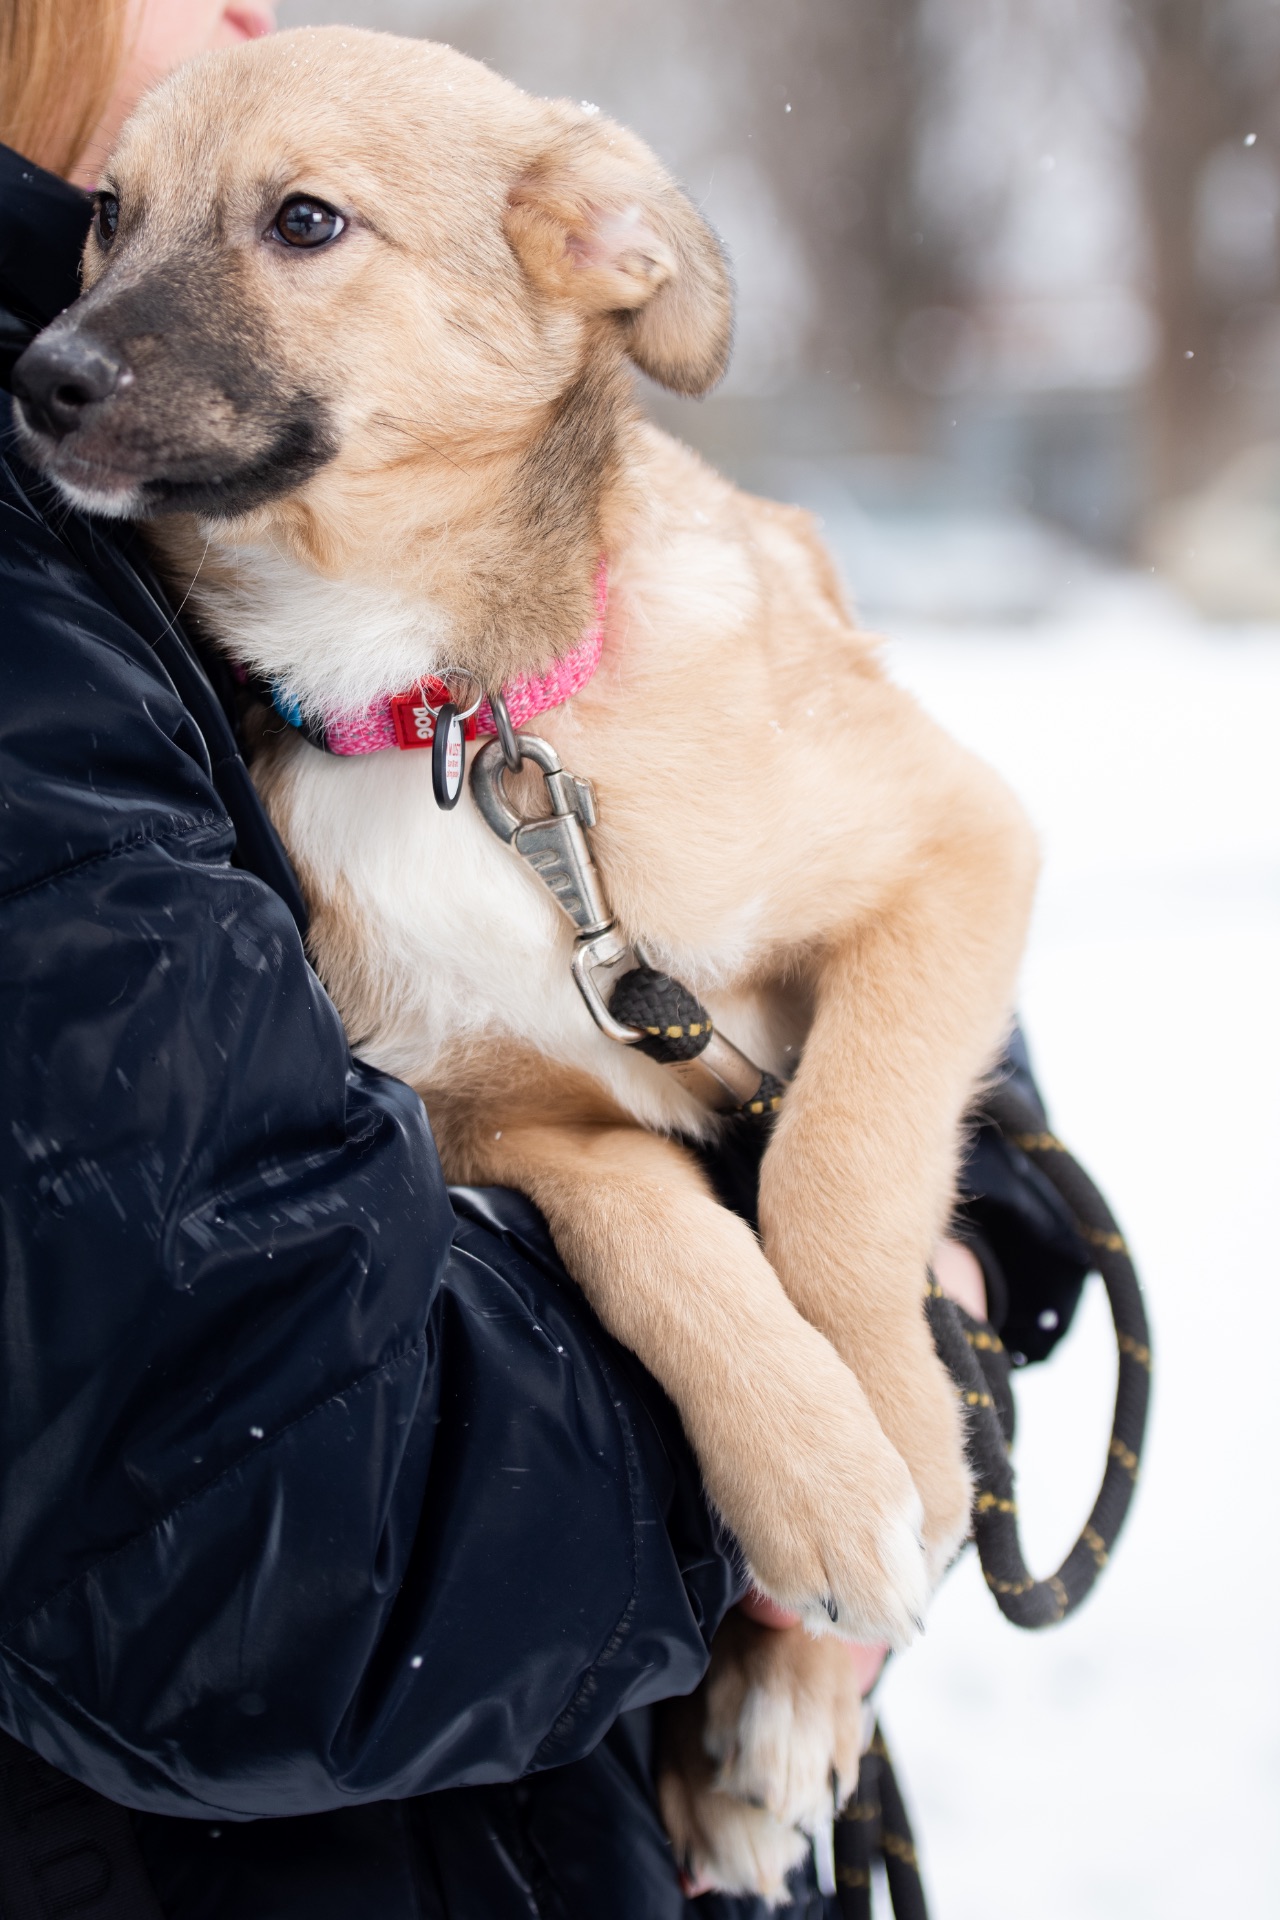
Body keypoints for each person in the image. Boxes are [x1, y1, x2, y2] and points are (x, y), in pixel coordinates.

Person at [0, 4, 1092, 1914]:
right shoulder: (109, 662)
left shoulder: (681, 629)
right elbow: (309, 1423)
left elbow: (955, 858)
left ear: (590, 259)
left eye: (302, 223)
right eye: (124, 226)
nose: (89, 336)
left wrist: (891, 1259)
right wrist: (732, 1360)